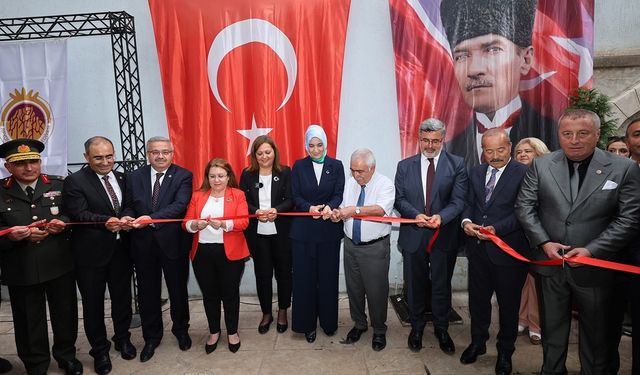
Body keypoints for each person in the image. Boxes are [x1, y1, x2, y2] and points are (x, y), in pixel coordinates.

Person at [515, 109, 640, 374]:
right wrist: (544, 242)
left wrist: (592, 250)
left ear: (597, 135)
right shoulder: (542, 164)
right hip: (551, 265)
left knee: (597, 337)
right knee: (552, 332)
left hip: (597, 269)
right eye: (567, 134)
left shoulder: (623, 168)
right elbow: (525, 206)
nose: (574, 140)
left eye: (583, 133)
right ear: (558, 135)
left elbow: (629, 218)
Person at [441, 0, 558, 168]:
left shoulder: (552, 134)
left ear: (525, 59)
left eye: (492, 50)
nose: (474, 70)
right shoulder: (448, 150)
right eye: (462, 56)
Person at [0, 139, 82, 375]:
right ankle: (36, 364)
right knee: (28, 320)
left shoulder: (58, 185)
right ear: (8, 166)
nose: (29, 168)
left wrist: (63, 223)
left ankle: (66, 357)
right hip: (21, 266)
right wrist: (12, 238)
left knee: (65, 313)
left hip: (58, 263)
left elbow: (73, 214)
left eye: (33, 161)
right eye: (21, 163)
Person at [62, 136, 136, 374]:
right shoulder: (74, 181)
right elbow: (78, 214)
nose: (105, 162)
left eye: (109, 156)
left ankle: (122, 338)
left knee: (122, 299)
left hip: (121, 251)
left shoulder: (123, 177)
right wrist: (106, 222)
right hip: (89, 255)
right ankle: (100, 350)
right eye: (98, 157)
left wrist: (125, 216)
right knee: (93, 305)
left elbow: (129, 204)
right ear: (86, 158)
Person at [394, 118, 468, 354]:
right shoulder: (404, 166)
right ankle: (416, 328)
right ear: (418, 140)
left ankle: (442, 328)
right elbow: (399, 199)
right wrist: (415, 214)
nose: (430, 145)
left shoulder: (457, 164)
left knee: (441, 285)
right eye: (425, 140)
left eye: (435, 141)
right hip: (414, 234)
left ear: (442, 140)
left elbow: (459, 201)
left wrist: (441, 217)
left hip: (443, 235)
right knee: (414, 286)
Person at [460, 129, 529, 375]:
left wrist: (495, 229)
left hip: (508, 252)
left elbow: (523, 211)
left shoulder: (524, 172)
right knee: (477, 302)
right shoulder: (476, 172)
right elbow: (468, 202)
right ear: (483, 150)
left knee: (508, 305)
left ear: (509, 147)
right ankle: (478, 342)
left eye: (500, 149)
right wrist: (467, 222)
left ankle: (505, 351)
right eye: (489, 151)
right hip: (478, 250)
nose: (495, 155)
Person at [121, 136, 193, 362]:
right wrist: (128, 216)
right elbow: (129, 204)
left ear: (173, 153)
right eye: (155, 152)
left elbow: (180, 205)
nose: (160, 156)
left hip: (174, 244)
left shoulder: (183, 175)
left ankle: (181, 331)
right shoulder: (134, 176)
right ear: (147, 154)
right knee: (147, 293)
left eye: (165, 152)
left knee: (178, 290)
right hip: (142, 245)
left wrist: (150, 218)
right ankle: (151, 337)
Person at [330, 148, 395, 351]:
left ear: (372, 168)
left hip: (374, 248)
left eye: (360, 171)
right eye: (352, 170)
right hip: (350, 245)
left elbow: (380, 209)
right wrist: (336, 213)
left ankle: (379, 330)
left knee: (376, 292)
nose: (356, 175)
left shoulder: (385, 184)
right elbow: (343, 206)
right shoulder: (351, 183)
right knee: (354, 289)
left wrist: (354, 210)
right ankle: (359, 324)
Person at [183, 158, 249, 353]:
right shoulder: (198, 196)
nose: (216, 180)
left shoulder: (238, 195)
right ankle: (213, 331)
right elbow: (185, 222)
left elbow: (244, 222)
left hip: (229, 252)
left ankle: (232, 332)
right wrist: (194, 224)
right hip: (202, 252)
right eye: (212, 176)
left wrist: (224, 224)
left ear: (228, 177)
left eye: (221, 176)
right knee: (210, 295)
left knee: (230, 294)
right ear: (207, 178)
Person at [289, 125, 345, 343]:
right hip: (303, 232)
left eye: (319, 144)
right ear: (306, 146)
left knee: (328, 279)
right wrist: (309, 208)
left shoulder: (337, 166)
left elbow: (339, 193)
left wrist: (330, 207)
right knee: (304, 280)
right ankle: (306, 325)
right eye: (311, 145)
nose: (315, 149)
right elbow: (295, 195)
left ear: (325, 144)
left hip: (329, 230)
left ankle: (329, 323)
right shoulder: (299, 166)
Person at [239, 136, 293, 334]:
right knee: (262, 275)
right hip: (257, 233)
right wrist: (255, 212)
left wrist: (276, 210)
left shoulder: (285, 172)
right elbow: (242, 200)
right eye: (259, 153)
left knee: (284, 273)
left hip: (281, 232)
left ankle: (282, 311)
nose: (264, 156)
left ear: (274, 152)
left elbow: (291, 199)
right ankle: (266, 312)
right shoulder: (247, 174)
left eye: (267, 152)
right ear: (254, 155)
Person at [513, 137, 550, 346]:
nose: (523, 155)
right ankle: (521, 318)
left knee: (536, 282)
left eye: (528, 151)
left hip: (540, 238)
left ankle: (536, 324)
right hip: (516, 236)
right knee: (521, 281)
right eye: (519, 152)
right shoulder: (513, 175)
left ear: (540, 153)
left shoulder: (547, 175)